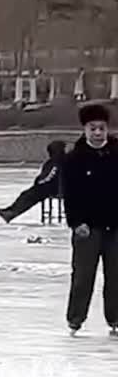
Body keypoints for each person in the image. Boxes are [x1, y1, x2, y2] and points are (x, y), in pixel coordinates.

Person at [62, 101, 118, 335]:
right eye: (92, 128)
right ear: (85, 130)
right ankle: (75, 319)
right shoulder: (75, 158)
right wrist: (76, 222)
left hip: (115, 226)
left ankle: (115, 318)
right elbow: (70, 194)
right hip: (87, 227)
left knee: (116, 275)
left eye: (101, 128)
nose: (97, 133)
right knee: (83, 275)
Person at [0, 140, 67, 223]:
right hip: (52, 186)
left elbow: (49, 176)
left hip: (54, 188)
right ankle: (11, 210)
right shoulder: (58, 160)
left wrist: (39, 183)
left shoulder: (57, 161)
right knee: (26, 194)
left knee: (29, 195)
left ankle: (12, 212)